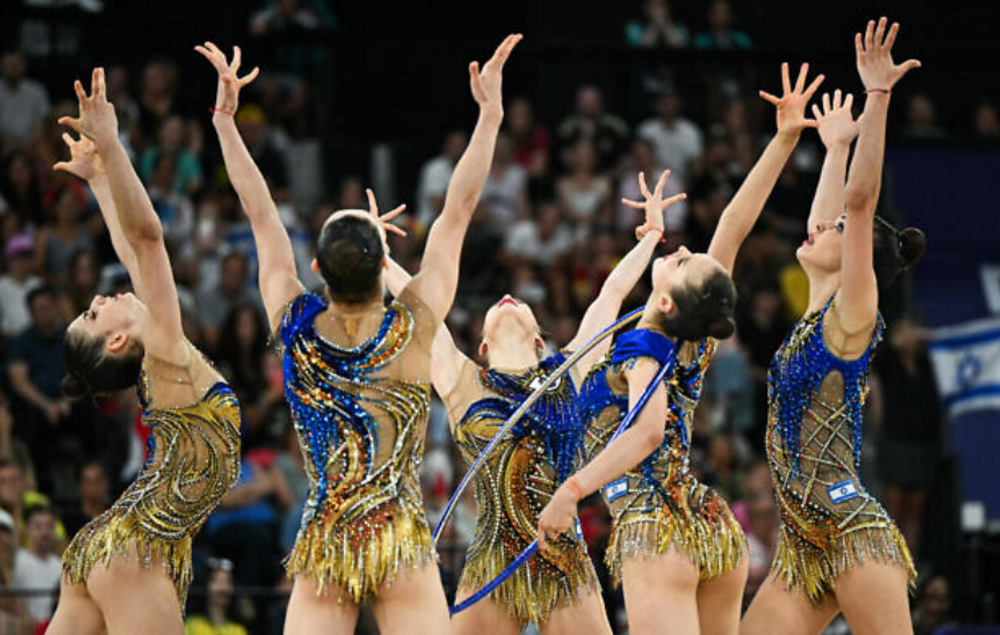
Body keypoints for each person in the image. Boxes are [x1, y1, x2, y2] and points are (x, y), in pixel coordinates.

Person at [198, 34, 520, 634]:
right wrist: (491, 116)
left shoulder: (295, 325)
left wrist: (225, 122)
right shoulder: (415, 320)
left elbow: (262, 214)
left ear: (315, 268)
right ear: (384, 268)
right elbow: (459, 208)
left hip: (326, 535)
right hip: (398, 534)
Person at [538, 62, 826, 635]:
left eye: (683, 262)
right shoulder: (689, 340)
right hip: (711, 523)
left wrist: (571, 492)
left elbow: (647, 431)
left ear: (668, 302)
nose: (686, 248)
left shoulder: (644, 353)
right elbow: (735, 226)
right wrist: (785, 138)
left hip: (655, 531)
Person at [387, 170, 684, 635]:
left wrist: (651, 238)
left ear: (540, 339)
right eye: (500, 303)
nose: (509, 299)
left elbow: (611, 295)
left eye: (523, 304)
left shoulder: (569, 368)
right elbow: (419, 308)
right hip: (492, 556)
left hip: (563, 558)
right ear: (481, 344)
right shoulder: (462, 377)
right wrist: (378, 258)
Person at [740, 18, 925, 635]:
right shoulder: (819, 307)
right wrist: (835, 146)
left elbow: (859, 204)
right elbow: (833, 218)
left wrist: (877, 99)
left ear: (859, 261)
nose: (817, 231)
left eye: (837, 234)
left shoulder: (852, 316)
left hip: (850, 532)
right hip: (804, 545)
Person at [47, 68, 242, 635]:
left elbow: (133, 249)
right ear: (115, 340)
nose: (97, 297)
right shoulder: (164, 353)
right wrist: (111, 143)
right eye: (92, 312)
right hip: (138, 548)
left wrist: (100, 180)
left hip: (109, 543)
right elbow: (149, 237)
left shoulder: (161, 358)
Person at [11, 506, 61, 625]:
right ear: (27, 529)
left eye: (49, 526)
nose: (45, 531)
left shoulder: (60, 565)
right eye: (38, 527)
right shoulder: (16, 561)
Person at [184, 558, 248, 635]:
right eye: (217, 580)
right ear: (206, 585)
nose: (222, 587)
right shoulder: (192, 625)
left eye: (227, 581)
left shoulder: (238, 631)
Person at [0, 52, 51, 148]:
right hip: (3, 142)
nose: (11, 70)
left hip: (32, 143)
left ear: (23, 67)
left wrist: (27, 143)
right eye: (7, 66)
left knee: (43, 147)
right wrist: (9, 143)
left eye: (14, 66)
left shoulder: (36, 91)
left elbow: (41, 125)